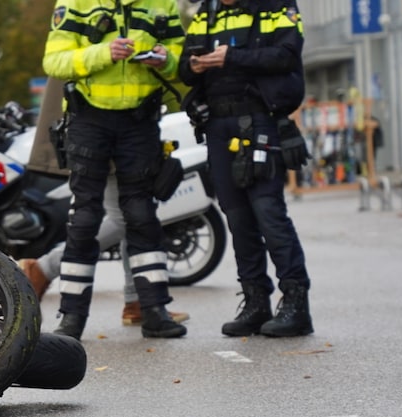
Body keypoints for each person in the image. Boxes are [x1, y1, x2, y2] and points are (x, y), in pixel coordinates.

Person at [43, 0, 188, 341]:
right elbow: (55, 60)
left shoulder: (161, 4)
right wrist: (104, 53)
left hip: (140, 121)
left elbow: (181, 61)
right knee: (84, 218)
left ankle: (153, 311)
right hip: (88, 120)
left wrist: (164, 59)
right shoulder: (76, 3)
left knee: (141, 215)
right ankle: (72, 318)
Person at [179, 0, 313, 337]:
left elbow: (286, 55)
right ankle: (256, 302)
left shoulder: (275, 5)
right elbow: (182, 67)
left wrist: (231, 57)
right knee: (237, 216)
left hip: (260, 120)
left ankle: (296, 304)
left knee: (268, 212)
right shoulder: (206, 12)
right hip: (217, 124)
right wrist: (193, 66)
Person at [19, 77, 189, 326]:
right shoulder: (94, 40)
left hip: (118, 127)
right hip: (100, 128)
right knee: (124, 218)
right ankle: (44, 269)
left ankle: (137, 301)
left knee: (130, 218)